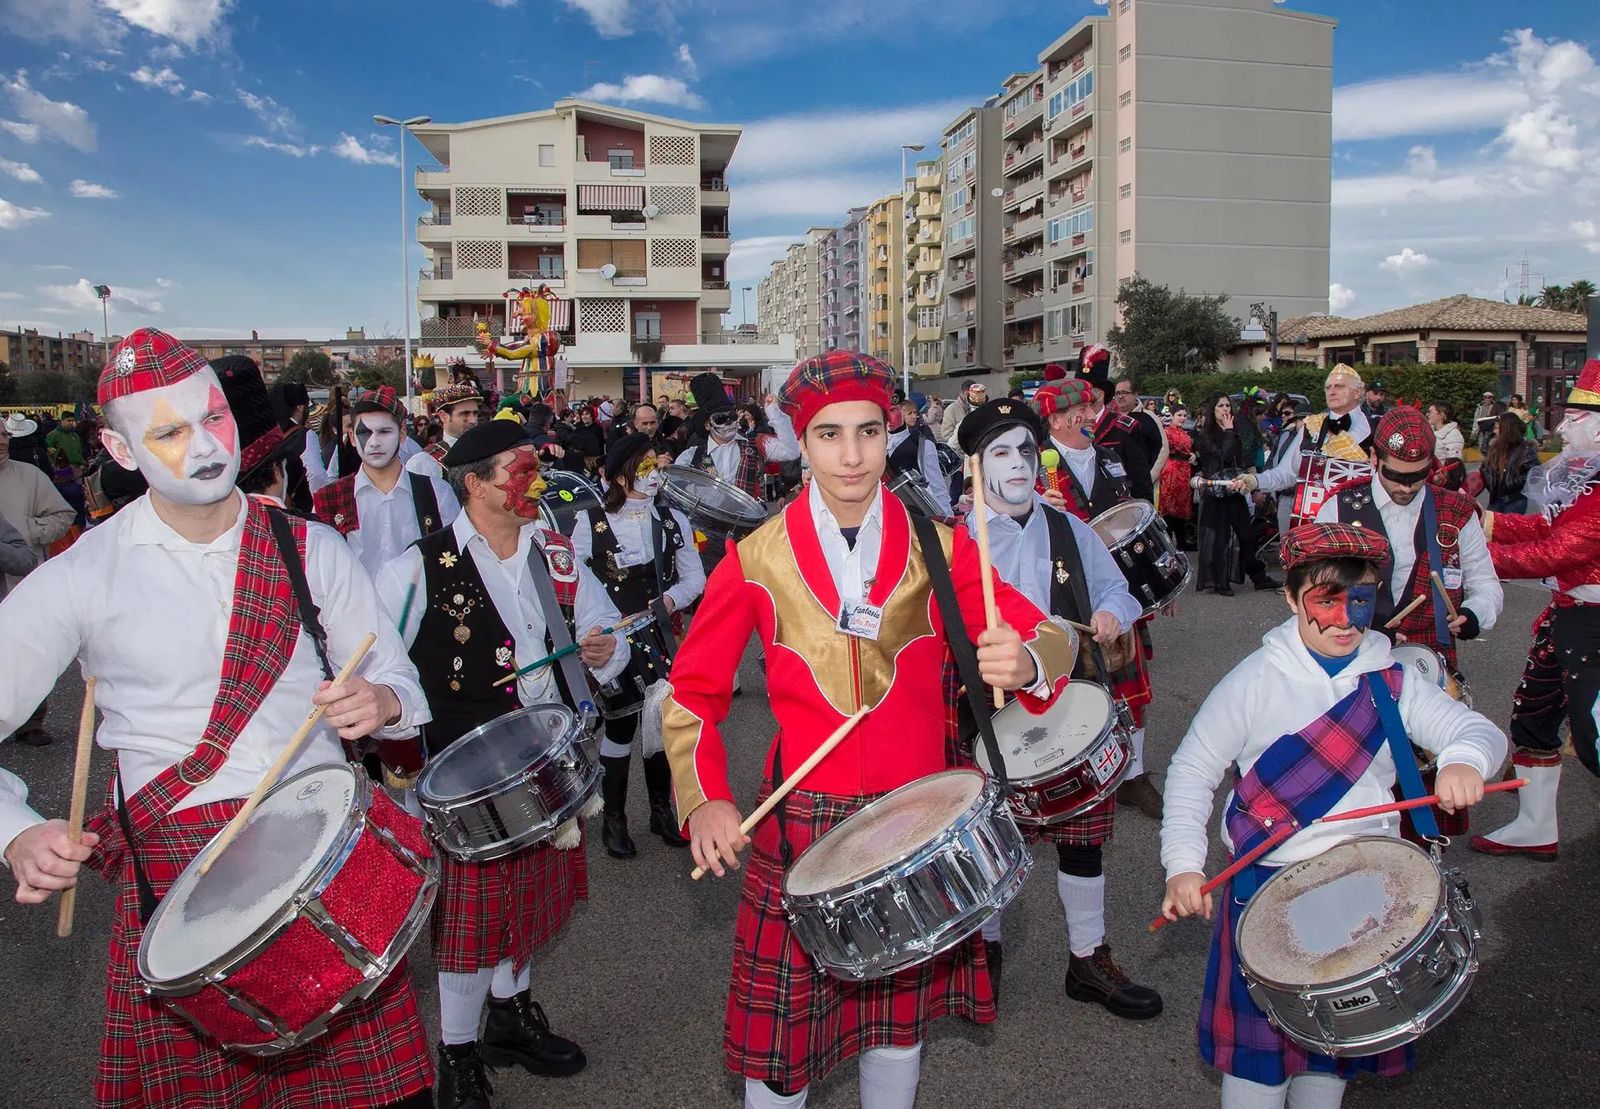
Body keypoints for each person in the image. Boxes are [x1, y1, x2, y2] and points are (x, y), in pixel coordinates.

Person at [0, 327, 436, 1108]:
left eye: (212, 418)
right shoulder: (82, 575)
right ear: (119, 447)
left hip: (323, 861)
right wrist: (16, 829)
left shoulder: (311, 547)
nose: (204, 445)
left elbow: (402, 676)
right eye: (167, 431)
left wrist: (383, 700)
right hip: (184, 876)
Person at [662, 351, 1077, 1109]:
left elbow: (1049, 634)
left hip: (919, 819)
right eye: (828, 435)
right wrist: (705, 798)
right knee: (782, 1050)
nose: (851, 455)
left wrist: (1028, 659)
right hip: (804, 821)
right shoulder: (754, 558)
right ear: (800, 441)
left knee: (898, 1026)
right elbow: (691, 692)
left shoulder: (943, 544)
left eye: (868, 431)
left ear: (891, 433)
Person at [1160, 522, 1504, 1109]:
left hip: (1365, 891)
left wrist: (1464, 762)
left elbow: (1475, 731)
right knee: (1258, 1067)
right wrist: (1183, 866)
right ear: (1292, 598)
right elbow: (1193, 771)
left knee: (1335, 1050)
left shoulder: (1393, 681)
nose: (1346, 619)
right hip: (1268, 889)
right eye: (1326, 600)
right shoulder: (1252, 682)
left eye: (1361, 600)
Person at [376, 419, 629, 1107]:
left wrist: (604, 649)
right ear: (475, 483)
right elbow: (385, 675)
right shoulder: (413, 569)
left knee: (529, 901)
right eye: (520, 473)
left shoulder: (557, 552)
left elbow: (605, 630)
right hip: (466, 782)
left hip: (549, 769)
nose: (534, 485)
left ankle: (509, 1019)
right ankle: (455, 1056)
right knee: (470, 924)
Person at [950, 398, 1160, 1019]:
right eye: (1000, 452)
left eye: (1025, 450)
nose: (1017, 465)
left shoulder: (1069, 528)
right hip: (985, 712)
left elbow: (1120, 588)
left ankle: (1087, 957)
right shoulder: (953, 541)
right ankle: (981, 955)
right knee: (986, 840)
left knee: (1083, 836)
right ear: (975, 465)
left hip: (1070, 699)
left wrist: (1111, 614)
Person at [1471, 360, 1600, 860]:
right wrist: (1480, 522)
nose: (1562, 428)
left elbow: (1555, 553)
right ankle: (1535, 825)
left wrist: (1470, 555)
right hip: (1568, 617)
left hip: (1592, 625)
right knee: (1534, 720)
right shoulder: (1584, 482)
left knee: (1592, 739)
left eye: (1575, 418)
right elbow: (1543, 530)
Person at [569, 432, 705, 858]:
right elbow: (572, 582)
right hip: (613, 644)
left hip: (659, 638)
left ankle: (662, 812)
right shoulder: (589, 522)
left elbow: (694, 580)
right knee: (622, 726)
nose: (653, 473)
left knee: (661, 725)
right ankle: (614, 819)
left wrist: (670, 599)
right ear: (620, 474)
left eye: (656, 463)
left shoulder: (672, 521)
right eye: (643, 465)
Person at [1033, 378, 1163, 818]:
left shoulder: (1111, 459)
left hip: (1115, 590)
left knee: (1133, 690)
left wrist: (1158, 585)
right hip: (1060, 593)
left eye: (1091, 408)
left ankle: (1134, 776)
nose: (1091, 416)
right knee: (1066, 691)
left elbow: (1133, 524)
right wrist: (1032, 505)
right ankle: (1064, 775)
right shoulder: (1032, 469)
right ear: (1055, 419)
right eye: (1081, 411)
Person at [312, 384, 460, 578]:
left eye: (384, 432)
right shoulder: (330, 500)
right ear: (352, 438)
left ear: (402, 434)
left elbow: (456, 558)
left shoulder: (437, 493)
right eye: (365, 433)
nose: (374, 442)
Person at [675, 372, 799, 575]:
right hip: (706, 540)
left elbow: (791, 451)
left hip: (750, 534)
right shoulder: (691, 457)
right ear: (708, 424)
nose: (730, 423)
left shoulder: (755, 443)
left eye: (732, 416)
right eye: (721, 419)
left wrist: (774, 414)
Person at [0, 411, 74, 747]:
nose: (2, 440)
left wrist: (29, 531)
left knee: (27, 653)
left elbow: (64, 514)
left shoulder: (29, 476)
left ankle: (31, 720)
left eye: (4, 435)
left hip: (22, 579)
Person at [1241, 364, 1373, 533]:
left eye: (1339, 386)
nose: (1331, 391)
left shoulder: (1377, 428)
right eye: (1328, 387)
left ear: (1358, 392)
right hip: (1315, 524)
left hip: (1361, 523)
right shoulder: (1312, 427)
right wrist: (1257, 481)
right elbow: (1287, 473)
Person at [1192, 395, 1279, 595]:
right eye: (1220, 405)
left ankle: (1258, 577)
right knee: (1219, 537)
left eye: (1227, 405)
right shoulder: (1206, 434)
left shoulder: (1236, 432)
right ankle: (1220, 581)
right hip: (1216, 491)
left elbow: (1241, 459)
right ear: (1213, 410)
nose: (1225, 409)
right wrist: (1229, 432)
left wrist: (1255, 487)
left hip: (1234, 488)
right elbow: (1221, 456)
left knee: (1246, 535)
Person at [886, 396, 953, 516]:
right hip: (889, 510)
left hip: (920, 507)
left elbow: (936, 482)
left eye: (914, 413)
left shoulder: (921, 443)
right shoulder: (877, 445)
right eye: (909, 413)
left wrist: (947, 515)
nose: (913, 416)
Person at [408, 382, 483, 480]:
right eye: (465, 414)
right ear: (443, 416)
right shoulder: (423, 462)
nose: (473, 420)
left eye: (475, 413)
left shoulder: (489, 453)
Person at [1112, 377, 1168, 488]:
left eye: (1124, 393)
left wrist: (1148, 478)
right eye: (1117, 393)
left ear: (1135, 394)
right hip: (1115, 487)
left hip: (1142, 485)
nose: (1120, 396)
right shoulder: (1110, 418)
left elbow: (1162, 449)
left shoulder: (1149, 417)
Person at [1158, 404, 1195, 550]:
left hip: (1184, 470)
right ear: (1172, 416)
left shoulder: (1185, 433)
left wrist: (1192, 455)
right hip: (1171, 469)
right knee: (1169, 503)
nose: (1182, 418)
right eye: (1179, 415)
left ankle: (1181, 540)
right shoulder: (1167, 432)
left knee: (1181, 504)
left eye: (1184, 416)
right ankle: (1168, 540)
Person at [1481, 412, 1535, 512]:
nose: (1495, 431)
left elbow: (1533, 473)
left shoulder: (1524, 450)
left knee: (1509, 526)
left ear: (1506, 430)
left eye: (1497, 428)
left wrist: (1511, 484)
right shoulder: (1495, 448)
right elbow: (1487, 471)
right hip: (1495, 500)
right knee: (1490, 526)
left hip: (1514, 501)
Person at [45, 409, 88, 526]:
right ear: (62, 421)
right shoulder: (53, 435)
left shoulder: (75, 435)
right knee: (65, 497)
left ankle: (80, 521)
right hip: (63, 471)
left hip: (78, 470)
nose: (71, 423)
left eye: (73, 421)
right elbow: (48, 451)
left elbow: (79, 451)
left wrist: (82, 462)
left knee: (79, 496)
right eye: (68, 420)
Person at [938, 378, 988, 449]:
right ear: (961, 393)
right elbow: (946, 436)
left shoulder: (982, 407)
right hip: (960, 453)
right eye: (968, 394)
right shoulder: (951, 410)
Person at [1427, 401, 1465, 490]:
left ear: (1441, 415)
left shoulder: (1453, 434)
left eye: (1430, 412)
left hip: (1441, 482)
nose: (1427, 414)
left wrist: (1440, 477)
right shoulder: (1428, 431)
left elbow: (1454, 466)